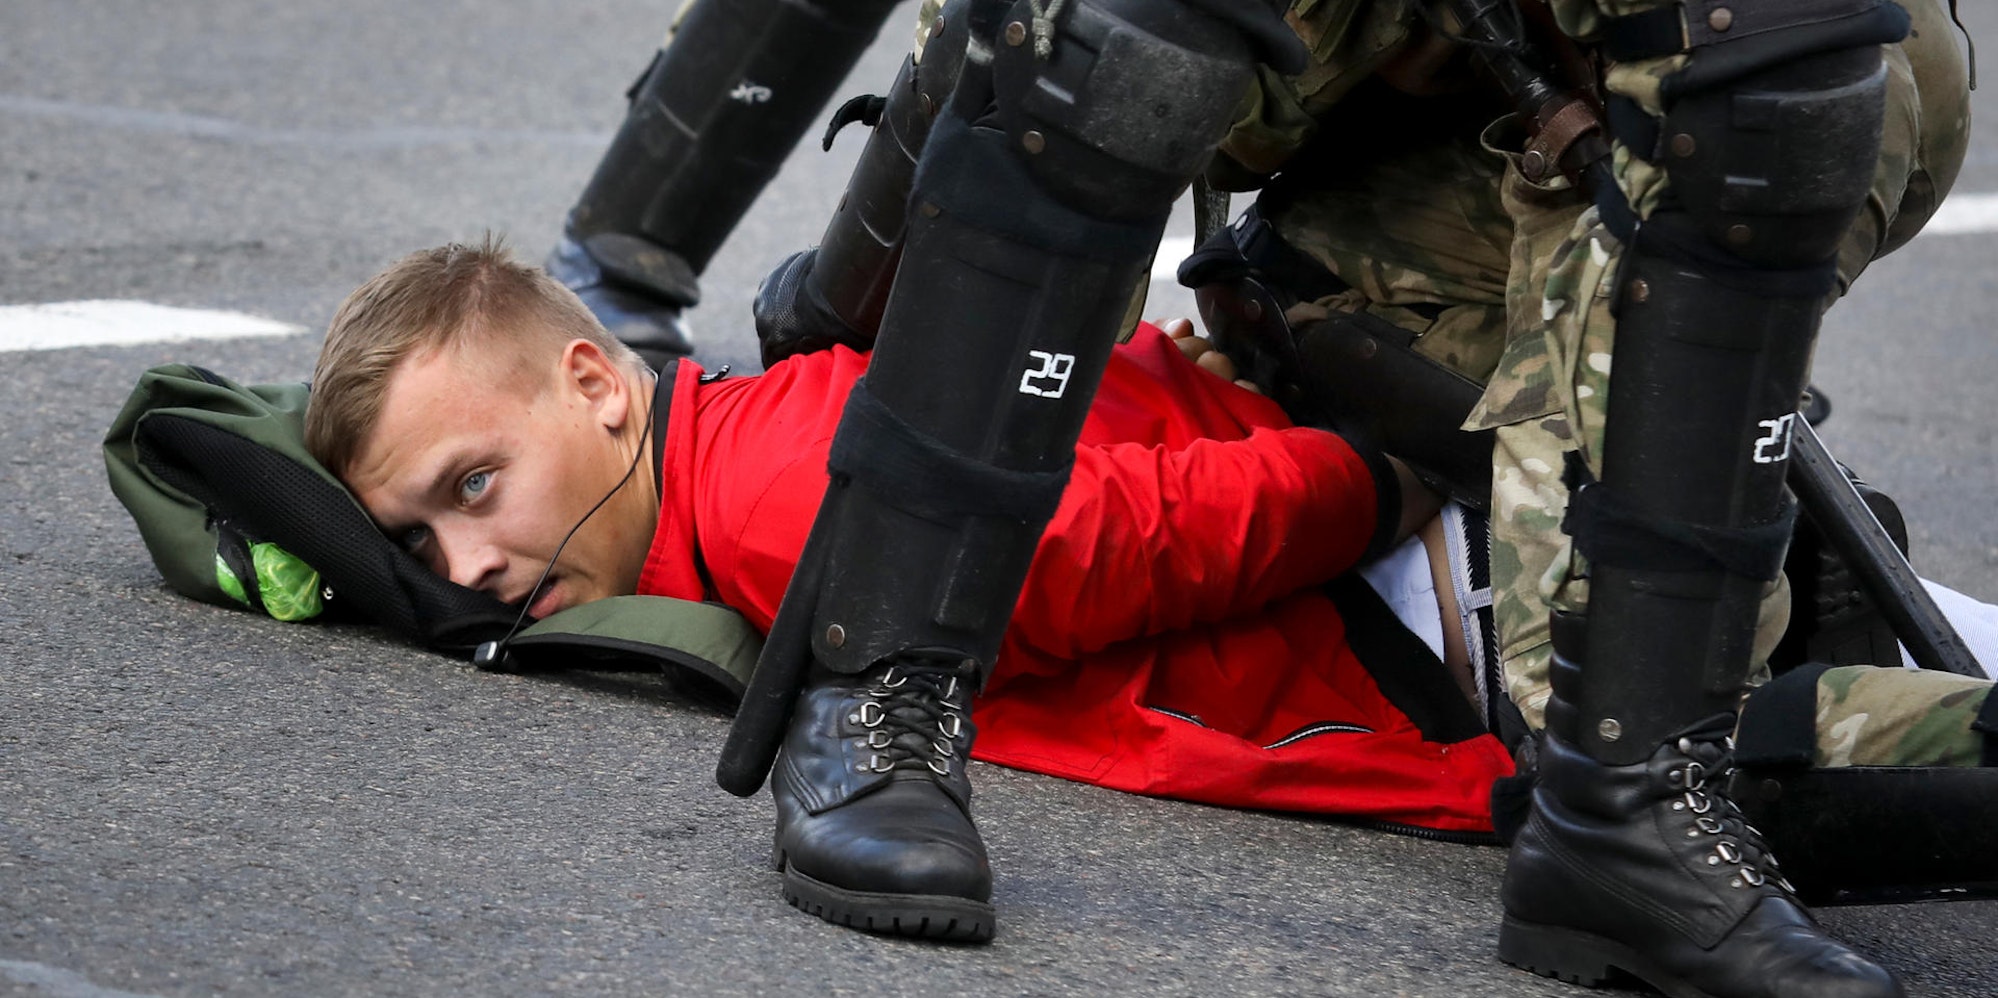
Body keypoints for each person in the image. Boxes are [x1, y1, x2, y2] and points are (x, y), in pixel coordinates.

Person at [303, 238, 1520, 940]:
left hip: (1428, 609)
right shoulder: (727, 455)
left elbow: (1112, 539)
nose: (465, 572)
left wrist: (1378, 475)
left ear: (597, 387)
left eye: (472, 486)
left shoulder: (761, 502)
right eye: (416, 542)